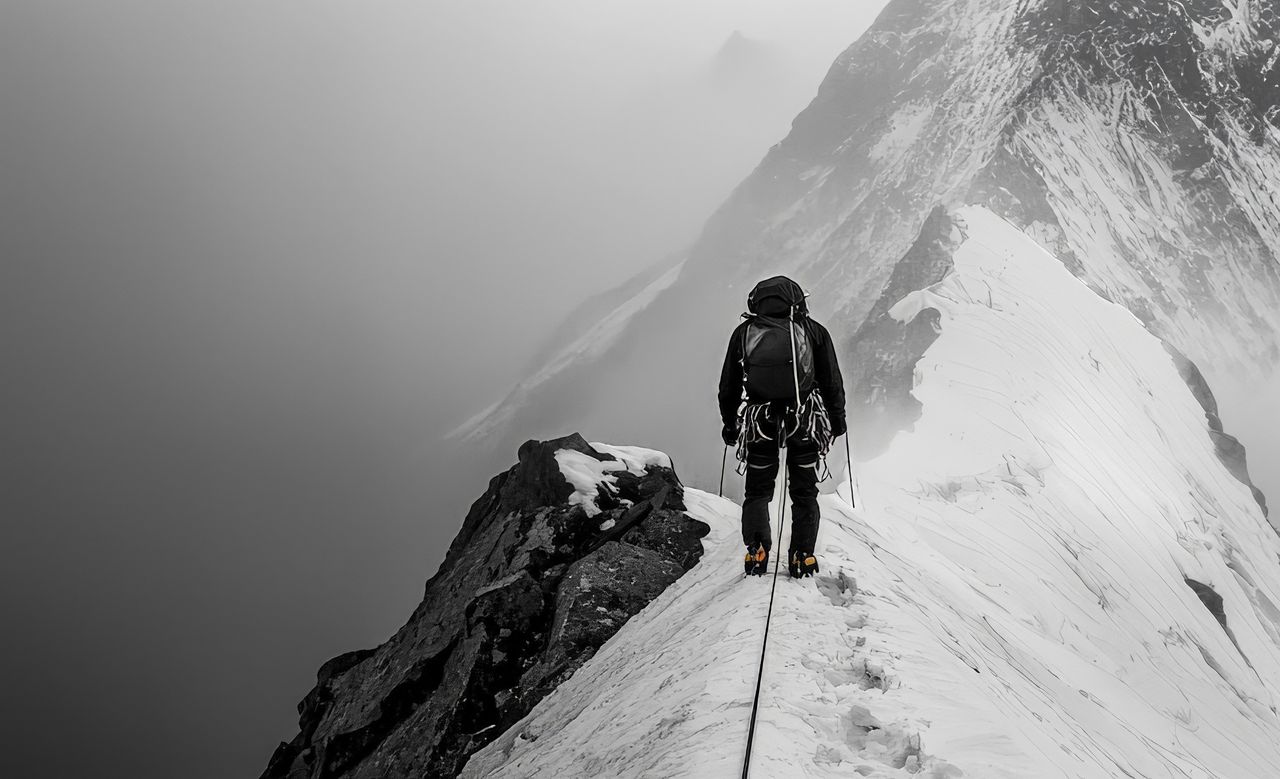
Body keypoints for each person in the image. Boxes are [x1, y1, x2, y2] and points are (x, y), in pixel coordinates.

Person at [718, 276, 846, 578]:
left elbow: (729, 385)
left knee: (758, 490)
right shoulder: (814, 331)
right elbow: (831, 380)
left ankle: (757, 550)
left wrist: (730, 424)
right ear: (798, 302)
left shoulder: (744, 333)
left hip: (760, 421)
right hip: (805, 419)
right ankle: (803, 556)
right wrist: (837, 420)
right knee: (804, 492)